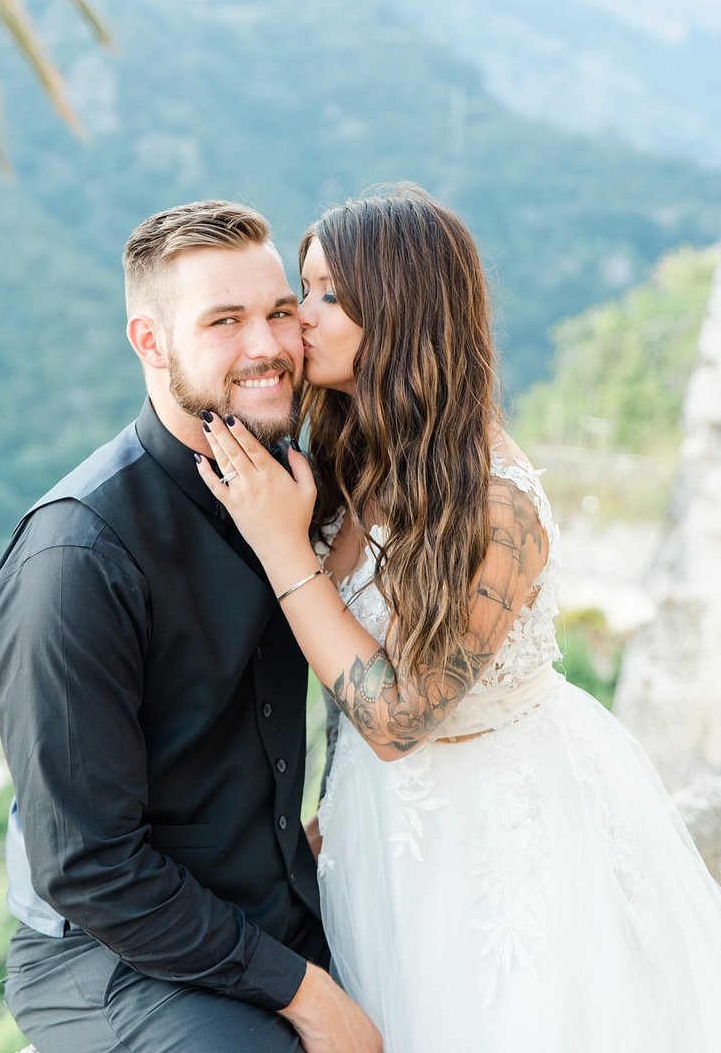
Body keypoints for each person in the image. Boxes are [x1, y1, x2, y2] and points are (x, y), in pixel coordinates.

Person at [195, 184, 721, 1053]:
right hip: (381, 828)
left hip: (503, 836)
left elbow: (400, 719)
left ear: (399, 310)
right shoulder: (348, 451)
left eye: (329, 295)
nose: (302, 319)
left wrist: (281, 547)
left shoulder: (493, 506)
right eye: (305, 290)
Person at [0, 200, 382, 1053]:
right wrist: (307, 995)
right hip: (115, 957)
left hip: (277, 908)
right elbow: (88, 867)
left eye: (280, 312)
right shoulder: (74, 557)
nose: (269, 346)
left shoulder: (288, 484)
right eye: (225, 321)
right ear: (151, 342)